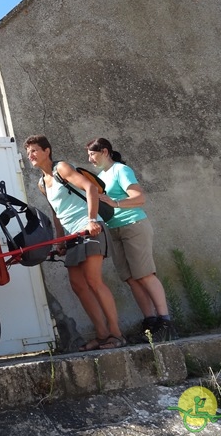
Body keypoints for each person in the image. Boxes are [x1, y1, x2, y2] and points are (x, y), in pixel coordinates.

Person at [25, 135, 125, 351]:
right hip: (71, 236)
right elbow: (56, 212)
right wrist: (58, 240)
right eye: (28, 153)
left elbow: (90, 188)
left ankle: (116, 334)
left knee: (93, 281)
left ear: (46, 151)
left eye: (34, 150)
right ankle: (101, 335)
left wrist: (91, 220)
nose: (30, 156)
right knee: (78, 285)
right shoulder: (42, 183)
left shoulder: (61, 168)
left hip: (90, 228)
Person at [86, 137, 177, 342]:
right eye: (89, 155)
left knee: (145, 275)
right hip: (114, 230)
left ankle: (166, 323)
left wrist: (114, 202)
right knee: (131, 278)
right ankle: (151, 323)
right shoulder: (101, 176)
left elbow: (139, 198)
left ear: (105, 152)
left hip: (134, 226)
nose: (90, 158)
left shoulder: (121, 170)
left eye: (93, 154)